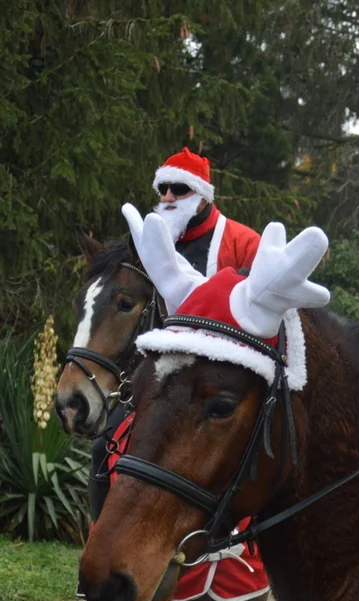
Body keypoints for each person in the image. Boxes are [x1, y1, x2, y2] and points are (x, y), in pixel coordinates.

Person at [87, 148, 264, 522]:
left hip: (223, 383)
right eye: (163, 188)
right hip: (161, 378)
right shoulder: (148, 243)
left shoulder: (243, 241)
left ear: (202, 195)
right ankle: (100, 556)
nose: (167, 198)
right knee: (104, 448)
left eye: (179, 189)